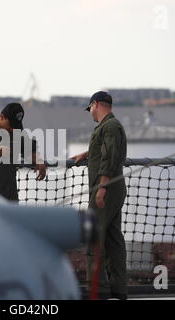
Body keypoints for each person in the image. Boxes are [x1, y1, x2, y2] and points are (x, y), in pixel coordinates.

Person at [71, 91, 128, 300]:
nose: (91, 113)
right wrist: (86, 154)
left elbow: (111, 157)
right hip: (112, 189)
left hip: (105, 188)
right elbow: (106, 150)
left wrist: (102, 187)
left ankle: (98, 291)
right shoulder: (108, 127)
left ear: (95, 104)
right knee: (113, 240)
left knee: (93, 238)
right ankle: (118, 290)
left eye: (90, 109)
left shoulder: (110, 126)